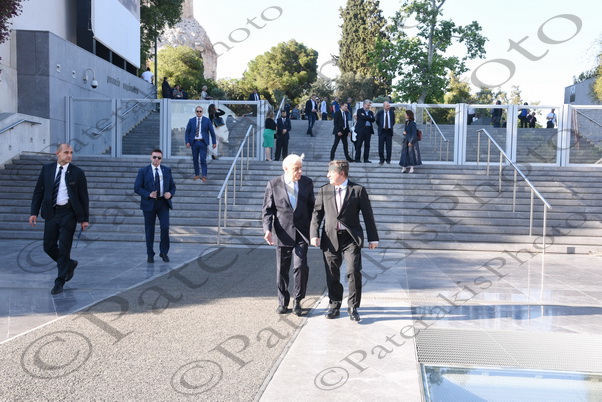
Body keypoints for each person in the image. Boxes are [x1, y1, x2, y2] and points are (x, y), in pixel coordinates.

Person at [310, 160, 379, 322]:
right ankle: (334, 305)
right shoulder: (325, 190)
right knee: (332, 273)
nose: (327, 175)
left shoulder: (358, 190)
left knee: (353, 271)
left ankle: (353, 307)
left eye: (331, 172)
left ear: (341, 173)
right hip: (330, 237)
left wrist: (373, 237)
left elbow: (368, 215)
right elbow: (317, 213)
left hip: (351, 238)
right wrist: (314, 234)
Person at [29, 144, 89, 295]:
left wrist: (84, 219)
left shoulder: (78, 172)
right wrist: (34, 212)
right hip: (51, 212)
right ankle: (69, 264)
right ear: (57, 153)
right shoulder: (47, 169)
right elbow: (38, 191)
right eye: (66, 152)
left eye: (71, 153)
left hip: (69, 214)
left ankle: (59, 281)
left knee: (64, 248)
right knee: (48, 246)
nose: (69, 155)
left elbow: (84, 197)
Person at [262, 154, 315, 316]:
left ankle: (298, 300)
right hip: (282, 232)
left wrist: (314, 231)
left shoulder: (307, 182)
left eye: (301, 168)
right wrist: (267, 229)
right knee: (282, 269)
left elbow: (312, 208)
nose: (300, 172)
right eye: (296, 169)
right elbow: (267, 210)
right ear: (285, 169)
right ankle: (282, 302)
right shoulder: (273, 184)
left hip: (302, 233)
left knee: (301, 266)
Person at [134, 149, 176, 263]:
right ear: (150, 158)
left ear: (161, 159)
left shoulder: (167, 170)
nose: (156, 159)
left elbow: (172, 186)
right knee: (149, 230)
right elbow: (137, 188)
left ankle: (164, 252)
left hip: (163, 203)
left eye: (159, 158)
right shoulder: (143, 171)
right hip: (149, 203)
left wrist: (170, 193)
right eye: (154, 157)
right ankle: (150, 254)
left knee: (165, 227)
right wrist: (148, 194)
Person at [185, 106, 217, 182]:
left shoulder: (207, 120)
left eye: (200, 111)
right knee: (195, 159)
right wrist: (187, 141)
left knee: (203, 159)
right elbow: (187, 132)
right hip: (194, 142)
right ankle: (197, 174)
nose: (199, 112)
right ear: (195, 112)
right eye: (197, 111)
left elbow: (212, 132)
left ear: (202, 112)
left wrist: (214, 142)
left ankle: (204, 175)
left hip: (203, 142)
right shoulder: (191, 121)